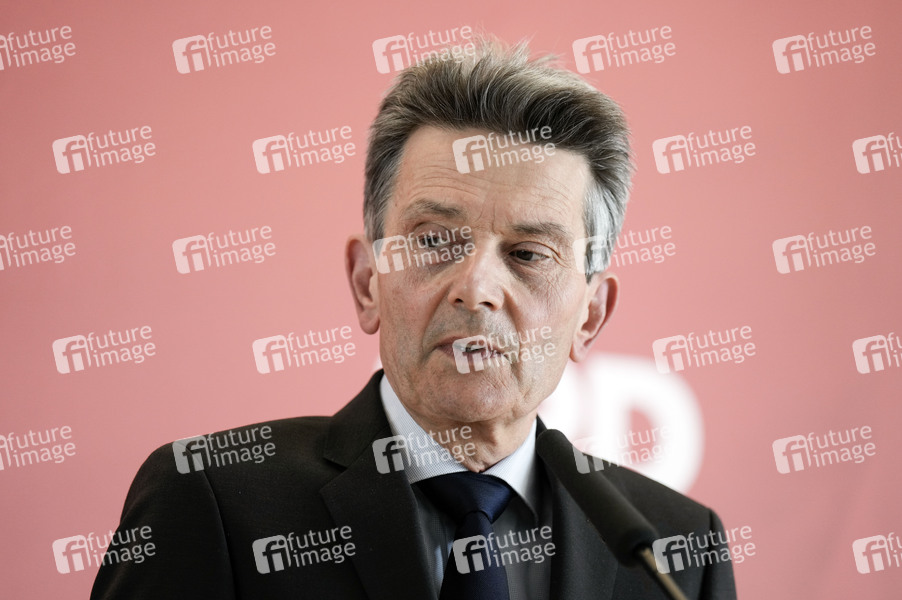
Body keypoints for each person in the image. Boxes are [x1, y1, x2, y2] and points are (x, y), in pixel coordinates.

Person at [91, 40, 736, 599]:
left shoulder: (674, 550)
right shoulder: (213, 502)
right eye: (434, 241)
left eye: (527, 254)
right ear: (366, 281)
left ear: (590, 315)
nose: (477, 289)